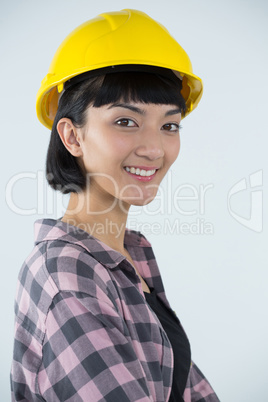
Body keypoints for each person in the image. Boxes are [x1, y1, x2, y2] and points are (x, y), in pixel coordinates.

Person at [11, 9, 220, 402]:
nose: (155, 148)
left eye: (169, 125)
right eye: (125, 121)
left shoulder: (128, 255)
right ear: (72, 136)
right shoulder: (67, 273)